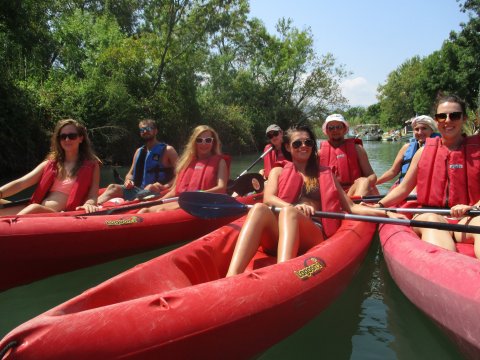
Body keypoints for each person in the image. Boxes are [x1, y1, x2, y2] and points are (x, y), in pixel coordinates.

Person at [226, 124, 396, 277]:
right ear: (287, 147)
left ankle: (282, 275)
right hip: (279, 230)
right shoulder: (278, 172)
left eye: (308, 142)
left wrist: (386, 212)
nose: (304, 147)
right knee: (258, 208)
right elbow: (269, 198)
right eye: (297, 143)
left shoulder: (325, 173)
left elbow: (351, 207)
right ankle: (231, 275)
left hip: (313, 232)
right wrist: (294, 207)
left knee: (289, 212)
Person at [372, 94, 480, 259]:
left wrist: (474, 208)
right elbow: (403, 188)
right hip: (432, 214)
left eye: (455, 115)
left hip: (468, 216)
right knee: (432, 221)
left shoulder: (477, 151)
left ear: (464, 118)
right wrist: (379, 205)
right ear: (436, 120)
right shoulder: (423, 152)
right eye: (442, 116)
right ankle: (447, 271)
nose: (447, 120)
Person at [0, 118, 101, 215]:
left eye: (72, 136)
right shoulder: (50, 163)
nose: (67, 139)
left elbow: (93, 195)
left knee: (33, 208)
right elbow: (21, 183)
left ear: (81, 138)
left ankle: (9, 228)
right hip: (38, 209)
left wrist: (89, 204)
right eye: (63, 136)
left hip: (59, 214)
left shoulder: (92, 165)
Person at [138, 125, 229, 212]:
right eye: (199, 140)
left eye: (208, 140)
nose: (204, 143)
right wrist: (157, 202)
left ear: (213, 142)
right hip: (183, 201)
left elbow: (221, 188)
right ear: (194, 142)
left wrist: (199, 194)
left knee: (160, 210)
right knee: (144, 210)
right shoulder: (187, 162)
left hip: (204, 203)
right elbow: (175, 191)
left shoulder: (220, 162)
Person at [97, 119, 178, 204]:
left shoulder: (168, 150)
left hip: (158, 192)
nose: (145, 131)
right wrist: (128, 181)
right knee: (112, 187)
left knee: (149, 188)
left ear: (155, 131)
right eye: (142, 130)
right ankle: (91, 208)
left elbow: (181, 173)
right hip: (138, 191)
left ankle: (129, 206)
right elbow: (130, 174)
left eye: (148, 128)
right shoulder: (139, 151)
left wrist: (165, 186)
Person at [318, 114, 378, 197]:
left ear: (344, 129)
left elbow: (372, 176)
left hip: (355, 191)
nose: (335, 130)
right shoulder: (319, 153)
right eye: (331, 128)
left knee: (363, 181)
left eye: (338, 127)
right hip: (331, 193)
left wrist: (364, 183)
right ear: (326, 131)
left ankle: (354, 204)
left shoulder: (358, 149)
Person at [376, 115, 440, 186]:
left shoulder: (440, 148)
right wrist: (375, 183)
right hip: (404, 187)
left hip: (424, 188)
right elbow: (393, 171)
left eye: (424, 128)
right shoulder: (406, 147)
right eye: (416, 129)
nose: (420, 132)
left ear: (432, 130)